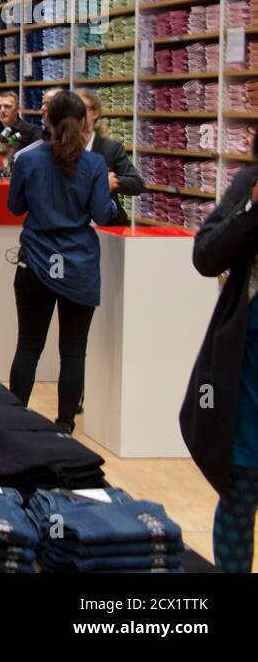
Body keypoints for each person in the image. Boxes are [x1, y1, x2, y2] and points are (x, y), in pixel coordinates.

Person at [5, 90, 117, 435]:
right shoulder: (95, 164)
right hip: (78, 264)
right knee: (73, 353)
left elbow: (14, 207)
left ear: (47, 119)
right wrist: (109, 198)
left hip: (37, 261)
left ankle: (14, 422)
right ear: (85, 121)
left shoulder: (28, 159)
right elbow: (102, 214)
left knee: (28, 346)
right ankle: (65, 427)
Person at [182, 141, 258, 572]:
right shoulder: (249, 185)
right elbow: (206, 255)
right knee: (240, 492)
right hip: (247, 368)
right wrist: (251, 214)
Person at [76, 89, 145, 227]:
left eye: (82, 109)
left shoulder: (110, 148)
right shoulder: (61, 149)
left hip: (108, 225)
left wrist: (112, 182)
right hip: (74, 226)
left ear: (95, 113)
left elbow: (136, 184)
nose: (77, 114)